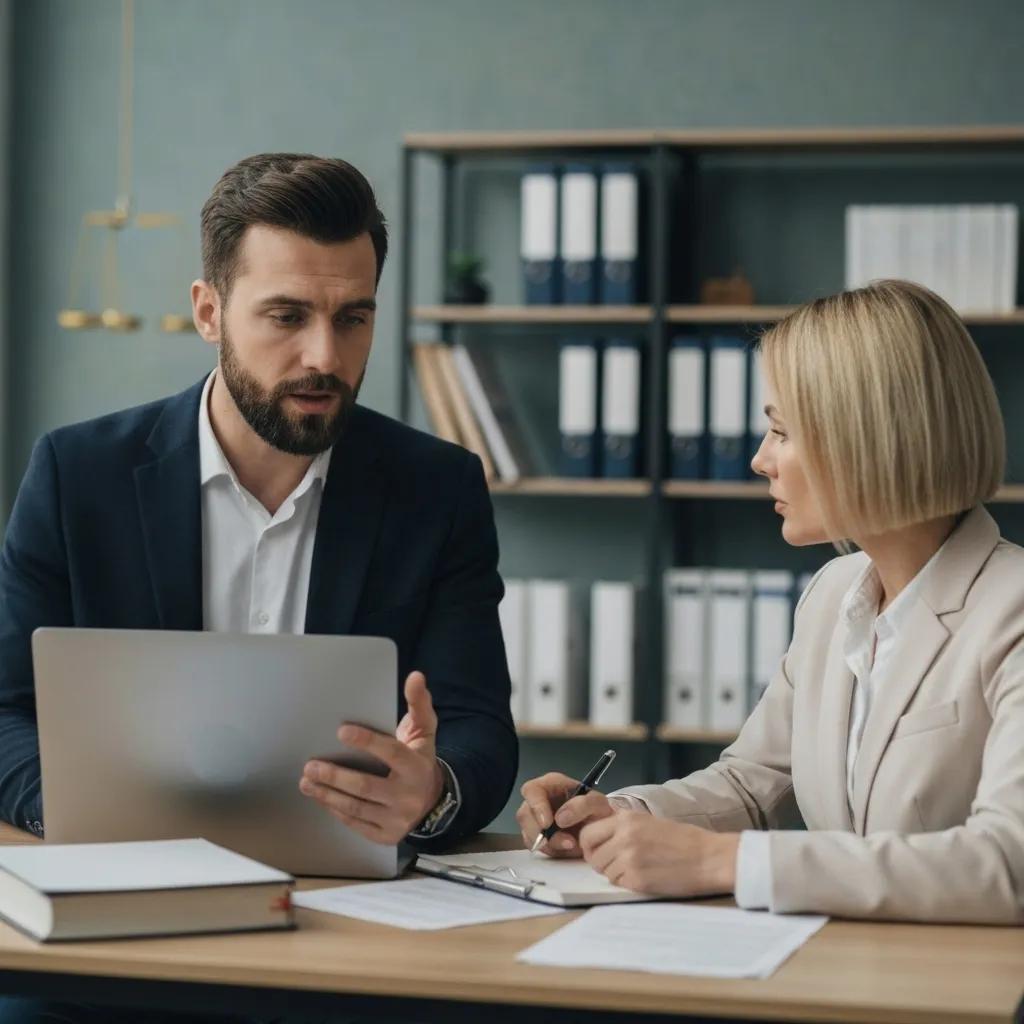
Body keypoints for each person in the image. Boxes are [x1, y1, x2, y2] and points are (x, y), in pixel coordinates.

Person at [0, 151, 517, 854]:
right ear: (209, 313)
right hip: (123, 879)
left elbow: (478, 728)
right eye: (287, 316)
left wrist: (430, 792)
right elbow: (5, 709)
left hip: (351, 913)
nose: (325, 357)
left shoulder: (439, 489)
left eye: (352, 319)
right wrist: (82, 811)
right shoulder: (77, 475)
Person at [519, 279, 1024, 923]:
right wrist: (617, 816)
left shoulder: (1011, 610)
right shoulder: (833, 593)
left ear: (867, 440)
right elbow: (753, 782)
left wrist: (720, 863)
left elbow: (1009, 862)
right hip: (838, 967)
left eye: (781, 432)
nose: (760, 460)